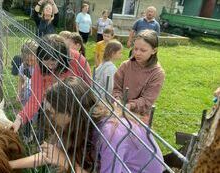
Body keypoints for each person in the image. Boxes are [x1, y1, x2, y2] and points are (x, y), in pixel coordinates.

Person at [9, 76, 164, 173]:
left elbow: (59, 157)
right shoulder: (81, 121)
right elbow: (49, 156)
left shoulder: (111, 134)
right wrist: (10, 165)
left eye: (52, 112)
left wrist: (65, 161)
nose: (49, 117)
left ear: (68, 113)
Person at [12, 34, 91, 132]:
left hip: (77, 109)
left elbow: (89, 89)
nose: (49, 67)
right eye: (45, 62)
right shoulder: (39, 68)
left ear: (62, 58)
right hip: (55, 109)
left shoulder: (79, 61)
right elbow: (35, 98)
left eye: (53, 64)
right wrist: (20, 119)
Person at [113, 29, 165, 125]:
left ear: (154, 50)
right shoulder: (126, 65)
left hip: (139, 116)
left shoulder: (157, 73)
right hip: (119, 110)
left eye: (143, 50)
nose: (137, 53)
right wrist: (117, 99)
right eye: (135, 49)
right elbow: (117, 88)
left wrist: (130, 105)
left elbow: (147, 100)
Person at [17, 40, 38, 105]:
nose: (29, 62)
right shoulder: (23, 67)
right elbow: (21, 80)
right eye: (26, 60)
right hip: (27, 96)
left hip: (38, 97)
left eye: (32, 60)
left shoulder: (41, 68)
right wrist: (19, 93)